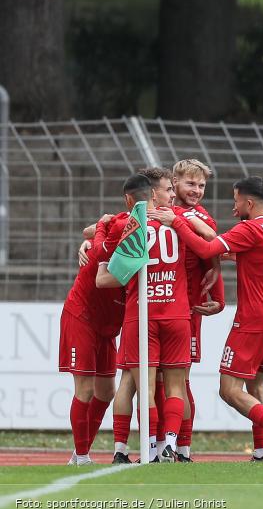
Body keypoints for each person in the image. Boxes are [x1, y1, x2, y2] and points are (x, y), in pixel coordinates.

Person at [150, 176, 263, 463]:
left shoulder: (250, 229)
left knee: (229, 390)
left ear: (249, 203)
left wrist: (178, 223)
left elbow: (207, 250)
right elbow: (240, 252)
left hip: (254, 320)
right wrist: (210, 235)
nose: (234, 206)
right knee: (257, 387)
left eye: (237, 200)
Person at [96, 174, 203, 463]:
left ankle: (138, 449)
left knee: (141, 386)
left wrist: (97, 249)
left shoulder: (130, 223)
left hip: (142, 313)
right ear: (155, 194)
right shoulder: (179, 218)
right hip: (177, 312)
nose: (173, 195)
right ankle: (168, 445)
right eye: (169, 190)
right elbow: (210, 238)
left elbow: (109, 267)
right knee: (176, 386)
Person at [58, 211, 128, 465]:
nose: (171, 196)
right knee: (85, 388)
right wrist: (95, 236)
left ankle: (80, 452)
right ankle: (83, 455)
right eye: (167, 190)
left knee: (107, 391)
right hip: (83, 316)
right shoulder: (128, 220)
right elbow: (90, 231)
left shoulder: (160, 221)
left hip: (108, 325)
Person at [170, 159, 225, 462]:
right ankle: (158, 445)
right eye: (191, 183)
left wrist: (219, 296)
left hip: (188, 310)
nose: (197, 190)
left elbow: (212, 250)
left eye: (202, 185)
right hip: (159, 304)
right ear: (174, 182)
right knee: (158, 381)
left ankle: (182, 448)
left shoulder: (198, 216)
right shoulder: (161, 208)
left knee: (180, 380)